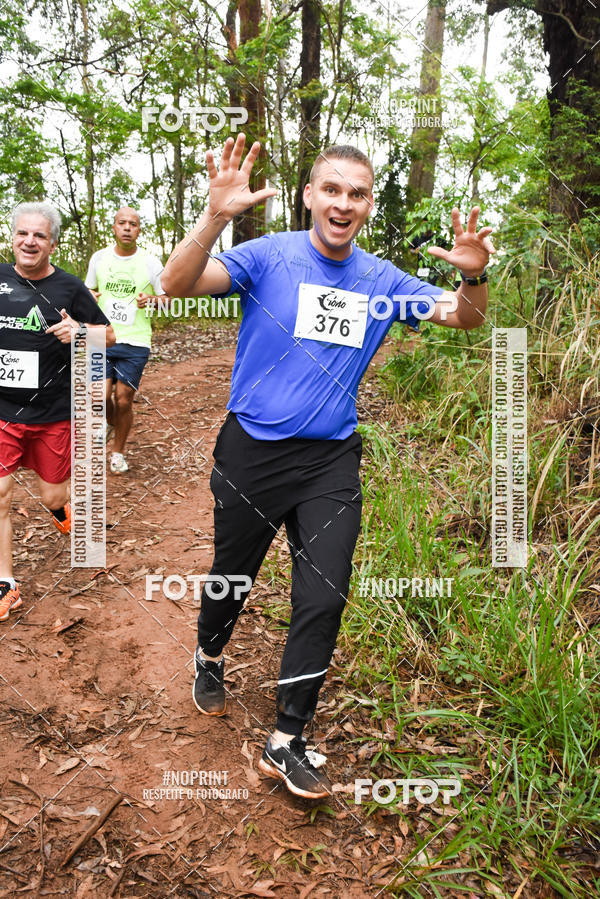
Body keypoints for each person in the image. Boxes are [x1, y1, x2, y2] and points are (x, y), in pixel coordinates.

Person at [162, 134, 494, 799]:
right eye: (332, 189)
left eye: (358, 193)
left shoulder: (381, 280)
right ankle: (209, 651)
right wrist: (214, 217)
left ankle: (287, 736)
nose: (343, 203)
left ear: (368, 206)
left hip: (330, 461)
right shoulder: (268, 255)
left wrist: (474, 274)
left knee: (325, 590)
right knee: (233, 574)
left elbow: (464, 318)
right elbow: (175, 286)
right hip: (252, 451)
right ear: (311, 195)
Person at [0, 202, 115, 622]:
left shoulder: (69, 289)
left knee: (52, 494)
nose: (30, 242)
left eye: (40, 235)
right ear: (13, 237)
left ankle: (61, 509)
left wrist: (82, 332)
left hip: (52, 414)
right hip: (3, 412)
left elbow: (110, 334)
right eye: (23, 234)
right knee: (1, 496)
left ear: (52, 242)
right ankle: (6, 583)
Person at [85, 207, 166, 473]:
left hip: (136, 340)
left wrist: (151, 300)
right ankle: (110, 423)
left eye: (133, 223)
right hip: (103, 337)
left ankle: (117, 452)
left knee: (123, 398)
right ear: (114, 228)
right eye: (122, 223)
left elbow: (167, 298)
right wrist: (90, 297)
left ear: (139, 230)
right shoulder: (99, 258)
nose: (128, 228)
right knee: (99, 394)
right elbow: (88, 289)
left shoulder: (151, 262)